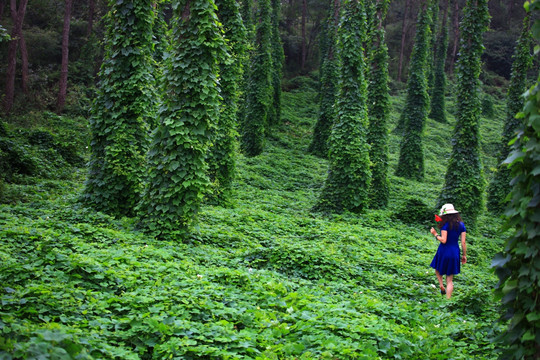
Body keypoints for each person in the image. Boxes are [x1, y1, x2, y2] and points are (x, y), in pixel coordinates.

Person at [429, 203, 467, 299]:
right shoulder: (461, 225)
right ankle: (448, 299)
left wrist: (435, 234)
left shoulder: (445, 225)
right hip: (455, 252)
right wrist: (464, 255)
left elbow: (444, 240)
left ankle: (441, 284)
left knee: (437, 269)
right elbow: (463, 242)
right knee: (450, 279)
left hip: (444, 251)